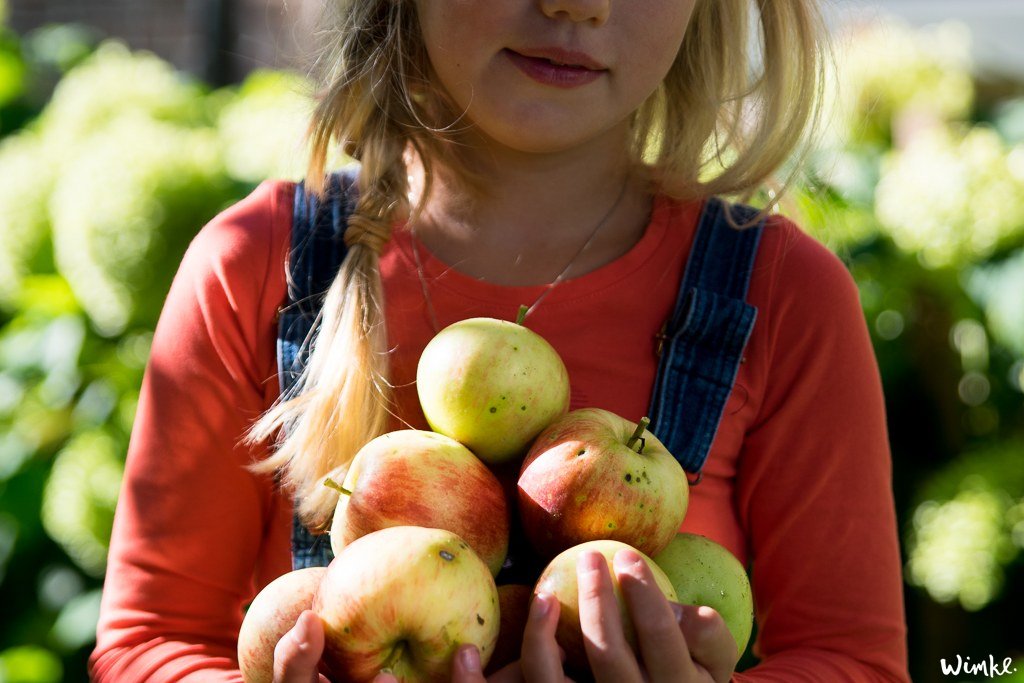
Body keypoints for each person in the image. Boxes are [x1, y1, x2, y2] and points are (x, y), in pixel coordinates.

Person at [90, 0, 910, 681]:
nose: (575, 4)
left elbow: (853, 659)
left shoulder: (781, 297)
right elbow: (145, 645)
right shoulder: (256, 269)